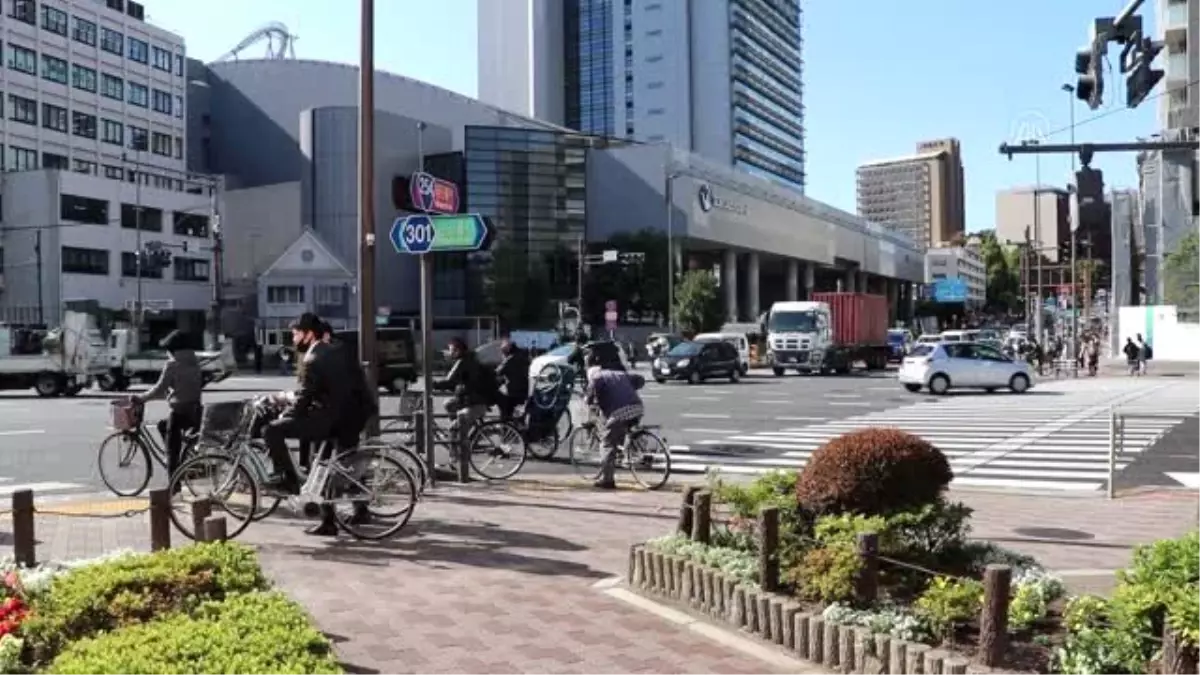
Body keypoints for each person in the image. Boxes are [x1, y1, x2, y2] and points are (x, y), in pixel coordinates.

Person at [262, 313, 350, 496]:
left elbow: (306, 395)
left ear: (309, 334)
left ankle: (289, 481)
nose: (293, 340)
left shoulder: (313, 357)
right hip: (338, 416)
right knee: (322, 467)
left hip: (325, 419)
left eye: (296, 334)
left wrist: (288, 414)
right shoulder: (327, 352)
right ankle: (327, 515)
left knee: (271, 430)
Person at [134, 330, 203, 482]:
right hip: (196, 410)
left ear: (172, 349)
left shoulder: (172, 364)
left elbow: (159, 389)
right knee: (162, 425)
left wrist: (141, 398)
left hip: (180, 412)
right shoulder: (195, 362)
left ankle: (174, 486)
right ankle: (187, 456)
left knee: (173, 451)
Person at [583, 348, 645, 490]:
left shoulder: (596, 378)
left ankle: (607, 480)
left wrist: (589, 401)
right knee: (621, 430)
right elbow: (639, 380)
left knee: (607, 442)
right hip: (637, 407)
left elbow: (589, 400)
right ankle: (628, 450)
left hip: (620, 411)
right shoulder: (618, 373)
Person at [432, 338, 494, 446]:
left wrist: (433, 384)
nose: (449, 352)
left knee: (453, 430)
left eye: (451, 350)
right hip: (471, 399)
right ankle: (466, 433)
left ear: (458, 350)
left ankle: (456, 457)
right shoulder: (469, 359)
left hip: (474, 403)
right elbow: (461, 382)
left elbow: (450, 381)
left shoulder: (463, 362)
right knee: (449, 404)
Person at [495, 338, 530, 421]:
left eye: (503, 351)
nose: (502, 353)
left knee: (501, 401)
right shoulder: (523, 356)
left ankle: (504, 426)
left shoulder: (509, 360)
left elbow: (497, 372)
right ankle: (516, 423)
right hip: (525, 391)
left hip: (514, 393)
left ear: (507, 350)